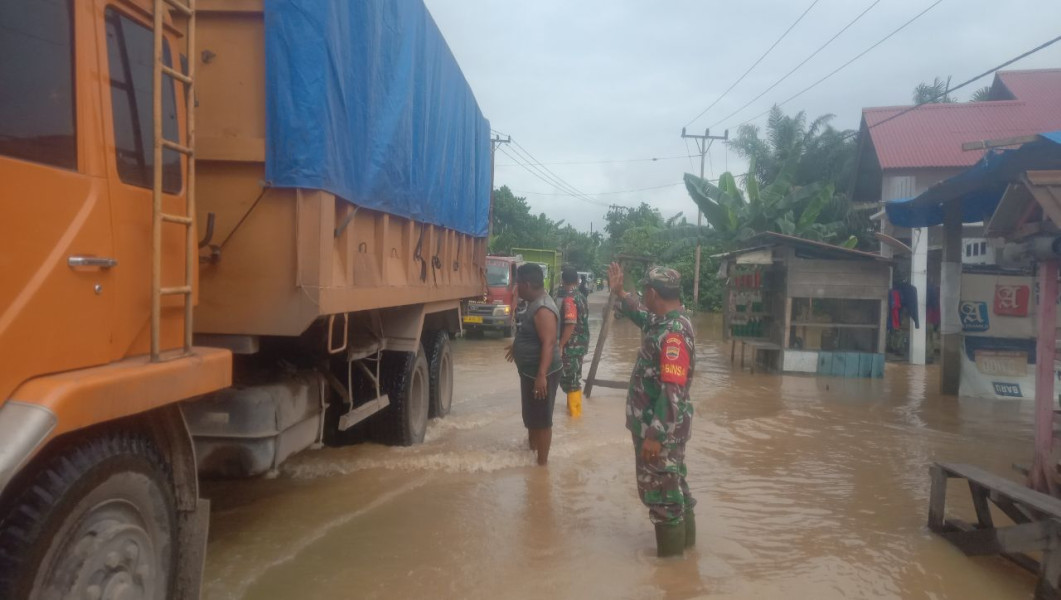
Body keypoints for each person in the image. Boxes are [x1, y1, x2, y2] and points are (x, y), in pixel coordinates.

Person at [607, 262, 696, 557]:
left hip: (661, 431)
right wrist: (620, 293)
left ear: (654, 293)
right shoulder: (665, 321)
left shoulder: (673, 334)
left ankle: (671, 573)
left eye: (644, 291)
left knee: (663, 498)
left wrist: (655, 434)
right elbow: (640, 314)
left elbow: (673, 390)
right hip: (666, 428)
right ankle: (686, 561)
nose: (642, 295)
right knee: (675, 488)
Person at [505, 263, 563, 466]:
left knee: (542, 419)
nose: (516, 288)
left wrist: (541, 376)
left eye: (518, 284)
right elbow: (532, 334)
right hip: (531, 372)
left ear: (527, 284)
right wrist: (517, 347)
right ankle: (531, 453)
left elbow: (548, 342)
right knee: (531, 416)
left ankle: (541, 465)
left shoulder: (543, 309)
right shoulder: (533, 303)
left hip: (541, 374)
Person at [557, 266, 590, 418]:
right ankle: (575, 416)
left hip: (571, 346)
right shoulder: (582, 297)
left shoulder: (569, 299)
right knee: (575, 379)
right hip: (581, 346)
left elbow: (570, 323)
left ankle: (575, 417)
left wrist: (561, 344)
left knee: (570, 382)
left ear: (563, 281)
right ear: (577, 280)